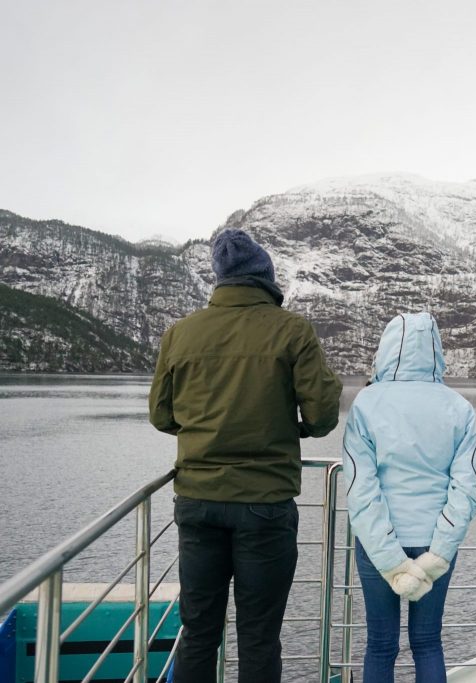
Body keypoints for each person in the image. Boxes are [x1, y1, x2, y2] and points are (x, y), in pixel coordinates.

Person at [148, 229, 343, 683]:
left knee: (198, 631)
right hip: (264, 503)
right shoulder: (291, 330)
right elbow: (322, 413)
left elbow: (161, 415)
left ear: (220, 278)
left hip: (197, 500)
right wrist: (291, 428)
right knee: (258, 635)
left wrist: (205, 432)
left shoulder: (181, 333)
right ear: (264, 275)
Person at [343, 312, 476, 683]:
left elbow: (360, 489)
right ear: (436, 350)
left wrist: (389, 559)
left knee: (381, 645)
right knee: (428, 642)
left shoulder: (365, 405)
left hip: (378, 545)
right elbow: (465, 490)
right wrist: (438, 554)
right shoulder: (459, 408)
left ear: (386, 350)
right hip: (436, 541)